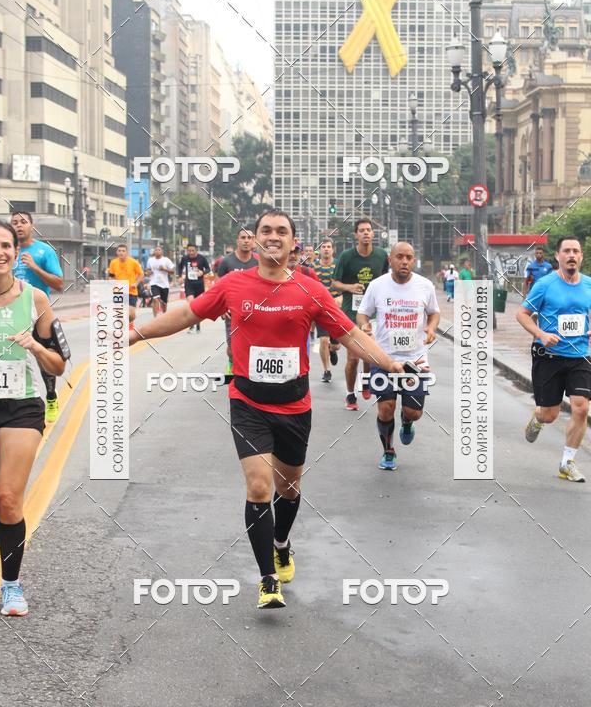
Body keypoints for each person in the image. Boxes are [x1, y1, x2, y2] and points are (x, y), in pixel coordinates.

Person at [129, 209, 404, 609]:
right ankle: (267, 579)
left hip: (294, 405)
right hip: (248, 402)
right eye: (265, 231)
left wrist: (388, 363)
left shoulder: (311, 290)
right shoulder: (233, 284)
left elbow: (349, 333)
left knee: (288, 488)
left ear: (294, 243)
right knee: (258, 485)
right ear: (255, 240)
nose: (273, 237)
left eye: (281, 232)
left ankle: (281, 543)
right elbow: (189, 313)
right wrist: (137, 333)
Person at [0, 220, 67, 615]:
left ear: (13, 249)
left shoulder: (36, 299)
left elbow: (59, 365)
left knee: (7, 499)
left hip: (20, 406)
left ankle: (11, 587)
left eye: (5, 244)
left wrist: (35, 345)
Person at [357, 242, 440, 470]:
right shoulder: (377, 286)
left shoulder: (425, 286)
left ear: (414, 261)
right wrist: (365, 327)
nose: (405, 261)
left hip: (415, 359)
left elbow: (433, 313)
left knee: (414, 412)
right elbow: (362, 314)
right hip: (384, 358)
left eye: (409, 258)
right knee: (385, 408)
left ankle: (406, 422)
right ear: (391, 260)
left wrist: (431, 329)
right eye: (400, 257)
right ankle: (388, 450)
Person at [516, 236, 591, 482]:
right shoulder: (545, 284)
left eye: (576, 251)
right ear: (557, 256)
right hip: (548, 357)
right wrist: (541, 333)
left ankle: (567, 462)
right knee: (550, 414)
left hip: (580, 356)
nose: (571, 255)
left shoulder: (589, 285)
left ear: (581, 256)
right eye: (567, 251)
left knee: (581, 407)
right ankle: (538, 419)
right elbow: (522, 313)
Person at [11, 211, 64, 423]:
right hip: (11, 314)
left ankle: (50, 395)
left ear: (32, 226)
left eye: (23, 222)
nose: (18, 226)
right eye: (14, 222)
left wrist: (34, 267)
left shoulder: (44, 251)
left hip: (38, 313)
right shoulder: (6, 251)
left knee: (43, 356)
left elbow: (59, 284)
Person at [332, 218, 388, 409]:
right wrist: (350, 287)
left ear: (373, 234)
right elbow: (335, 283)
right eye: (362, 230)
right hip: (351, 312)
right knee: (353, 357)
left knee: (369, 353)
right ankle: (350, 394)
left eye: (369, 230)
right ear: (356, 235)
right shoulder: (347, 257)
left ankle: (365, 383)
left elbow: (387, 280)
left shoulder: (381, 255)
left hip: (372, 313)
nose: (365, 233)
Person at [218, 230, 258, 371]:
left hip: (255, 312)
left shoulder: (259, 261)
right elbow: (219, 289)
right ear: (237, 240)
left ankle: (247, 373)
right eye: (243, 238)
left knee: (253, 345)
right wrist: (221, 309)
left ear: (254, 241)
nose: (246, 240)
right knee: (232, 348)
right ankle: (232, 365)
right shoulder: (226, 262)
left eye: (249, 238)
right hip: (232, 313)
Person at [313, 237, 341, 382]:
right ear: (320, 249)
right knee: (323, 339)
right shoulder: (313, 267)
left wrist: (341, 298)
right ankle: (327, 370)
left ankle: (332, 348)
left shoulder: (338, 265)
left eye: (328, 247)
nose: (326, 249)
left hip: (336, 309)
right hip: (320, 309)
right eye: (323, 247)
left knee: (336, 346)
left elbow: (343, 284)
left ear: (332, 249)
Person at [107, 244, 144, 327]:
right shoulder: (113, 263)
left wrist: (136, 283)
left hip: (131, 291)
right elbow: (111, 276)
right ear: (117, 252)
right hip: (118, 291)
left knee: (131, 315)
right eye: (119, 251)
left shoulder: (134, 262)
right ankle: (120, 329)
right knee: (119, 313)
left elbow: (141, 274)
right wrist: (111, 282)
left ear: (126, 252)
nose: (121, 253)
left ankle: (127, 323)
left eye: (123, 251)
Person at [178, 244, 211, 333]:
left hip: (199, 285)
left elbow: (208, 269)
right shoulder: (185, 258)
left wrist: (202, 272)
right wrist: (180, 276)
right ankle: (191, 325)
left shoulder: (202, 258)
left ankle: (198, 325)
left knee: (198, 306)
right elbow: (179, 267)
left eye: (193, 251)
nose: (191, 253)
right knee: (191, 304)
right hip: (189, 284)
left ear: (196, 250)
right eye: (189, 251)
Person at [146, 245, 175, 317]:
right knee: (155, 299)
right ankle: (155, 318)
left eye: (159, 250)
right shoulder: (150, 260)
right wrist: (148, 273)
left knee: (164, 304)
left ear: (162, 251)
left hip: (164, 284)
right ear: (154, 252)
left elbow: (173, 271)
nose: (157, 251)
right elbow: (147, 271)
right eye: (156, 250)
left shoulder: (166, 260)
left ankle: (164, 316)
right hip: (154, 283)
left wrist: (164, 269)